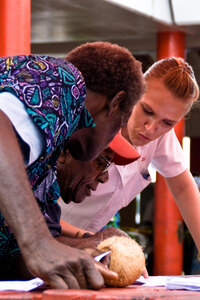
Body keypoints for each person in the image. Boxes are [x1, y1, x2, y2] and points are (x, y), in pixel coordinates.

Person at [0, 41, 145, 288]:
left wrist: (86, 251)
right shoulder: (62, 79)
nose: (112, 137)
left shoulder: (47, 163)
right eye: (119, 125)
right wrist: (37, 242)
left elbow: (17, 257)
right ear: (115, 103)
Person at [60, 57, 200, 275]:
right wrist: (93, 240)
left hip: (85, 247)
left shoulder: (161, 137)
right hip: (37, 235)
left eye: (167, 123)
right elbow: (35, 209)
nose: (151, 129)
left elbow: (183, 187)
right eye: (147, 110)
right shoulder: (86, 119)